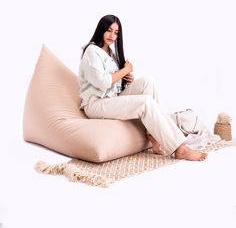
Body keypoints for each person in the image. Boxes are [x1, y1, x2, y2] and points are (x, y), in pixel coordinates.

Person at [78, 14, 207, 161]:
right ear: (101, 29)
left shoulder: (111, 53)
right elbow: (102, 82)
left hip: (111, 98)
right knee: (145, 103)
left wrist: (125, 79)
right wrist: (124, 71)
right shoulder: (92, 51)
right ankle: (179, 148)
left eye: (116, 32)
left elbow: (113, 83)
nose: (112, 35)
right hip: (96, 104)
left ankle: (154, 136)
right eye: (109, 30)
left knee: (148, 81)